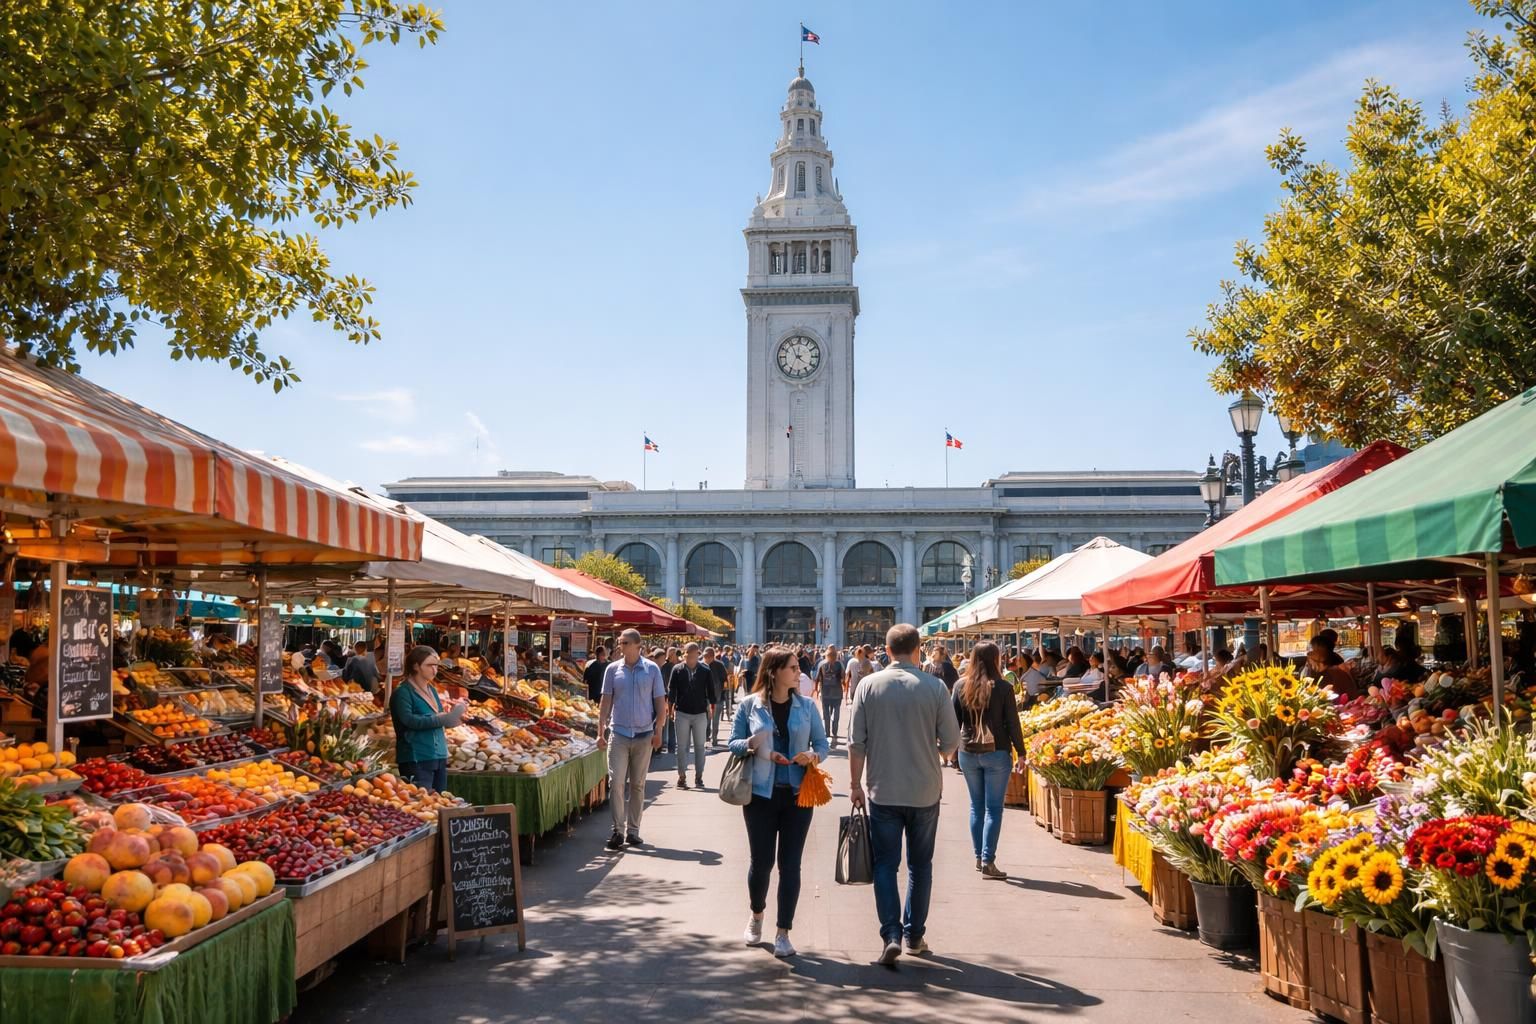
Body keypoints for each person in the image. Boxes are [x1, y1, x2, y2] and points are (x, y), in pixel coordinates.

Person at [849, 623, 962, 966]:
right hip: (925, 789)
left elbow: (856, 742)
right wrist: (938, 752)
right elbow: (952, 741)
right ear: (917, 651)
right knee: (920, 865)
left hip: (883, 790)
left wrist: (855, 785)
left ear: (886, 650)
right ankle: (914, 934)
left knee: (885, 863)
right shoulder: (935, 687)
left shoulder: (868, 685)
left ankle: (891, 934)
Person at [729, 646, 830, 958]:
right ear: (773, 672)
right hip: (760, 793)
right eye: (792, 667)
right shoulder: (749, 706)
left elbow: (823, 744)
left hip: (799, 794)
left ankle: (783, 931)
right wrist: (753, 746)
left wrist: (811, 755)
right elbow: (733, 743)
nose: (798, 672)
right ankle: (757, 914)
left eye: (797, 667)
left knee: (791, 865)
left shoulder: (807, 707)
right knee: (761, 863)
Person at [952, 641, 1026, 879]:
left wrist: (951, 751)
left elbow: (953, 722)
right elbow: (1012, 723)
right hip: (997, 752)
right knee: (994, 809)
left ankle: (977, 857)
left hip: (968, 751)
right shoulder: (1003, 687)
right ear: (996, 659)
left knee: (976, 806)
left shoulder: (960, 686)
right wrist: (1021, 751)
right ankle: (988, 861)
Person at [598, 629, 667, 850]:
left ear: (638, 645)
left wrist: (659, 731)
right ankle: (618, 829)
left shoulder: (652, 669)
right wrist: (600, 731)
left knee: (637, 785)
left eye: (624, 642)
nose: (620, 646)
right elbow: (605, 702)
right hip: (618, 733)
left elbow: (659, 703)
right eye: (619, 643)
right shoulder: (612, 670)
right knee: (616, 782)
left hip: (644, 735)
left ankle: (633, 831)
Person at [389, 646, 467, 791]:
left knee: (440, 801)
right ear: (416, 666)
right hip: (416, 756)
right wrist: (442, 719)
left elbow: (438, 714)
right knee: (422, 803)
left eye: (436, 666)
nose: (434, 670)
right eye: (429, 665)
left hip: (438, 755)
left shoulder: (432, 690)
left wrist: (454, 718)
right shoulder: (403, 692)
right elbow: (409, 720)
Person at [668, 642, 717, 790]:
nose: (691, 658)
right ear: (685, 655)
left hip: (700, 713)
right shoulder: (677, 670)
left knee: (700, 746)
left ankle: (699, 776)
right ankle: (682, 776)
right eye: (688, 655)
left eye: (694, 655)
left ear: (698, 655)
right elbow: (672, 690)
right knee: (682, 746)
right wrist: (670, 708)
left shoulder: (705, 670)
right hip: (682, 712)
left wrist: (711, 709)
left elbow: (711, 691)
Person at [812, 644, 846, 743]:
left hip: (825, 691)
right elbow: (843, 678)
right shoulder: (839, 664)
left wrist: (816, 690)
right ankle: (835, 730)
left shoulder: (822, 664)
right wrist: (844, 686)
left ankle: (827, 732)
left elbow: (817, 678)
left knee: (826, 713)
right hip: (837, 692)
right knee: (836, 711)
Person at [703, 646, 729, 746]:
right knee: (706, 719)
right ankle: (706, 736)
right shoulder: (701, 665)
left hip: (718, 698)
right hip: (705, 699)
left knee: (715, 719)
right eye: (705, 656)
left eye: (708, 656)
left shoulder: (719, 665)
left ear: (713, 656)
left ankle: (714, 738)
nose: (706, 658)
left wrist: (724, 691)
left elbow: (725, 681)